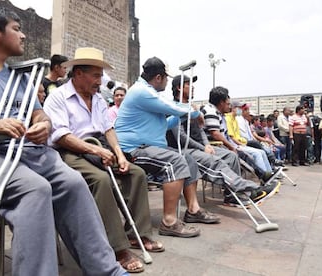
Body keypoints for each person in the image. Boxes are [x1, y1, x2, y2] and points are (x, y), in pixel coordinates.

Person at [0, 7, 125, 275]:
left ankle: (107, 270)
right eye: (16, 29)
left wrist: (44, 124)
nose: (24, 35)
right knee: (36, 189)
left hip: (29, 152)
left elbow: (39, 113)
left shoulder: (20, 77)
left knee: (73, 182)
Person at [43, 47, 163, 273]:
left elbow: (108, 129)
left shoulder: (97, 99)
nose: (100, 81)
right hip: (69, 151)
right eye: (96, 75)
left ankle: (138, 234)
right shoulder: (58, 97)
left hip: (99, 147)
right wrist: (97, 152)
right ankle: (117, 248)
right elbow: (61, 136)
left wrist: (118, 154)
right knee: (100, 180)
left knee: (135, 173)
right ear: (78, 73)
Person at [115, 57, 220, 239]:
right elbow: (171, 107)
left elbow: (164, 122)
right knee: (175, 162)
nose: (166, 82)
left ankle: (193, 210)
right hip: (134, 150)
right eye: (166, 78)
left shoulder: (146, 92)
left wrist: (186, 115)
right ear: (158, 77)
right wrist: (194, 111)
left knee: (188, 158)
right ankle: (169, 222)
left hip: (148, 147)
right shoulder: (142, 91)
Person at [167, 75, 278, 207]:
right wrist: (203, 148)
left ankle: (232, 196)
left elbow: (200, 130)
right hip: (183, 149)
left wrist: (207, 145)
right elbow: (181, 137)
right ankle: (247, 189)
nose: (192, 87)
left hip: (200, 147)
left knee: (231, 155)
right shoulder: (173, 108)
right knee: (214, 160)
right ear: (179, 88)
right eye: (188, 84)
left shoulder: (192, 108)